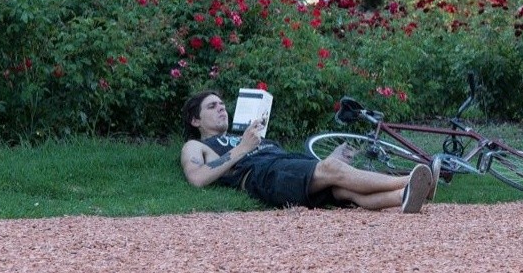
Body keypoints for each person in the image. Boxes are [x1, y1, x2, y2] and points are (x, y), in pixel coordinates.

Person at [180, 90, 441, 213]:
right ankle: (414, 180)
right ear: (195, 121)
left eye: (223, 105)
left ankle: (403, 197)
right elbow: (198, 178)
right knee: (332, 171)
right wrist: (244, 148)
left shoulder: (242, 133)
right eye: (212, 106)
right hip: (262, 175)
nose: (221, 109)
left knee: (344, 190)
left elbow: (296, 166)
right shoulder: (197, 146)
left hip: (284, 164)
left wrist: (334, 159)